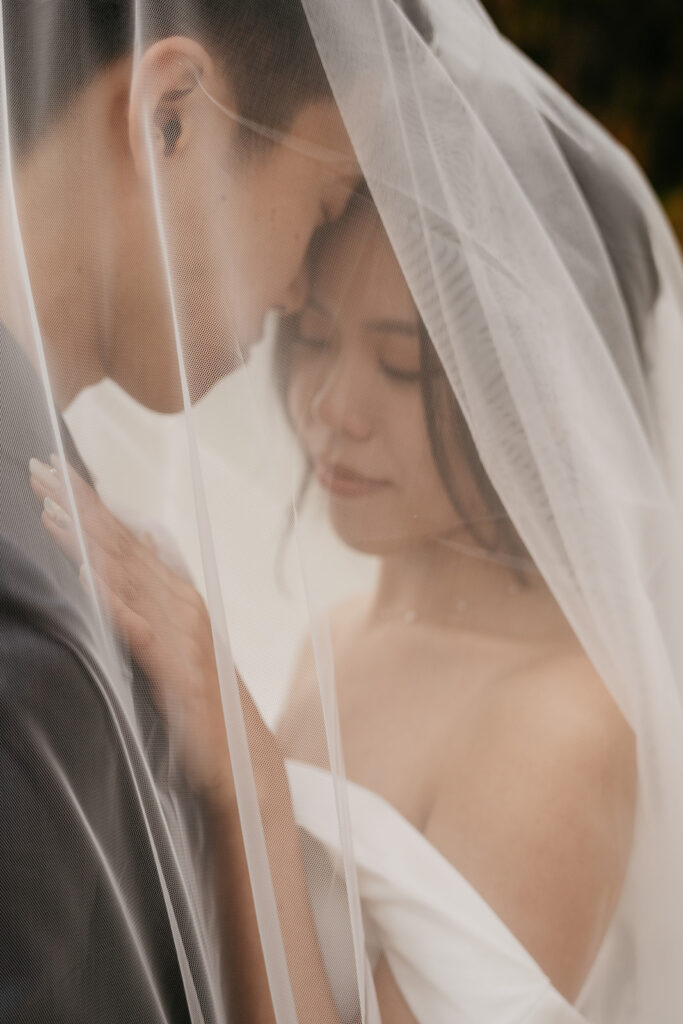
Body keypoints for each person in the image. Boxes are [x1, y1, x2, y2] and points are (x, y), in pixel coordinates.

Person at [29, 191, 641, 1022]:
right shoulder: (341, 628)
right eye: (314, 339)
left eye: (401, 366)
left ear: (537, 397)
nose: (331, 408)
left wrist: (250, 784)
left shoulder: (559, 729)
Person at [0, 1, 361, 1019]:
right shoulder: (36, 626)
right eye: (325, 207)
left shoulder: (62, 514)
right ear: (172, 120)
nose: (301, 292)